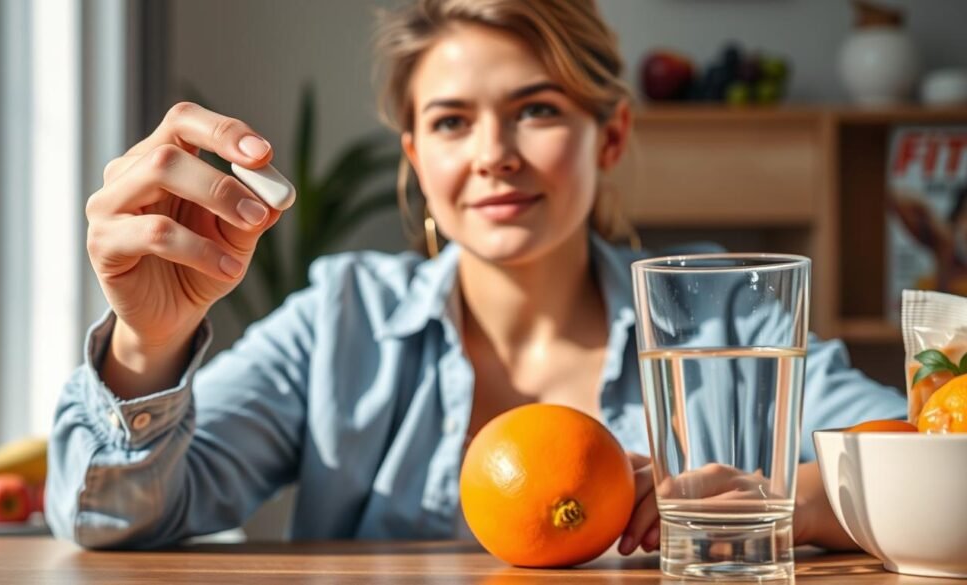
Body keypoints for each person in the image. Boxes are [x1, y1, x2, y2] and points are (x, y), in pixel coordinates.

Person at [46, 0, 906, 553]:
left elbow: (931, 467)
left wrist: (775, 498)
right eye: (453, 122)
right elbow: (110, 518)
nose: (494, 155)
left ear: (609, 137)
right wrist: (148, 342)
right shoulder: (341, 318)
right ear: (417, 158)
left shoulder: (726, 316)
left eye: (537, 109)